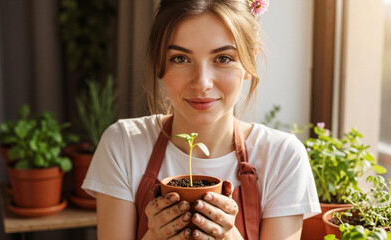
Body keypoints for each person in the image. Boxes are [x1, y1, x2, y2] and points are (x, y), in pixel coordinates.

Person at [82, 0, 321, 239]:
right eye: (180, 58)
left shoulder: (282, 156)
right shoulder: (123, 144)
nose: (202, 82)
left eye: (223, 58)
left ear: (251, 62)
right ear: (159, 62)